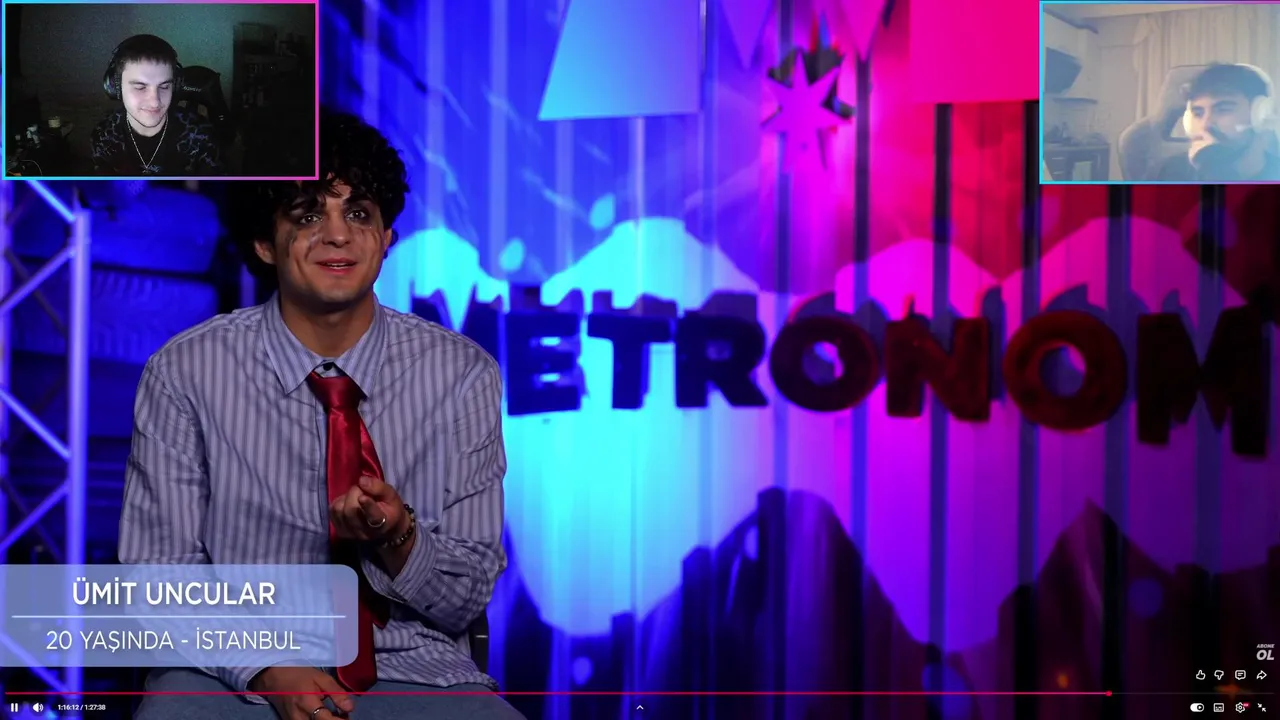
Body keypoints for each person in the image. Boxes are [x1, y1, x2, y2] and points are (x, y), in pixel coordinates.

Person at [120, 109, 524, 720]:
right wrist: (267, 669)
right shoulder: (184, 371)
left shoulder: (463, 374)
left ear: (386, 240)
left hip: (414, 667)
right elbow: (156, 579)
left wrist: (398, 537)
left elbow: (466, 597)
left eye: (358, 213)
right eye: (308, 214)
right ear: (264, 243)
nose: (338, 235)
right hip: (231, 667)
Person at [90, 34, 224, 176]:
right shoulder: (104, 136)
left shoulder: (201, 137)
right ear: (116, 88)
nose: (155, 102)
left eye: (164, 86)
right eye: (140, 87)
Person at [1157, 63, 1280, 182]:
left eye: (1223, 110)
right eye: (1198, 113)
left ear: (1261, 116)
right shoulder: (1172, 172)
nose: (1205, 125)